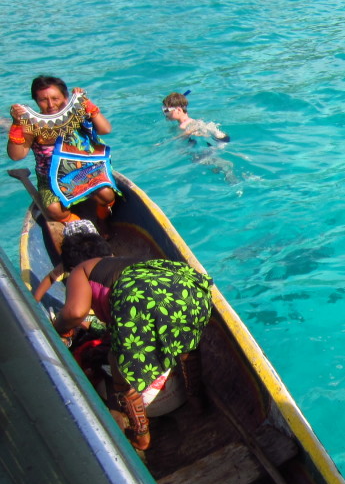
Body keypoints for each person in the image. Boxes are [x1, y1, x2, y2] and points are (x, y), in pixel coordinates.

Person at [47, 221, 213, 451]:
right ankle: (197, 402)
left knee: (120, 364)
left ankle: (142, 437)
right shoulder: (122, 263)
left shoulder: (81, 270)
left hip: (139, 297)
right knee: (185, 345)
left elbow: (74, 313)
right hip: (184, 284)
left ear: (70, 264)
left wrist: (59, 329)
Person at [7, 76, 118, 226]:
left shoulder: (76, 112)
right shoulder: (31, 124)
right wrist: (16, 125)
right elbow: (16, 155)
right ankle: (83, 226)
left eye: (55, 98)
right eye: (43, 100)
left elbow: (105, 129)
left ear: (65, 96)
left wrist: (87, 104)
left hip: (85, 169)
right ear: (35, 101)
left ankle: (102, 220)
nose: (51, 104)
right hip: (51, 178)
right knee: (54, 210)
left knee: (107, 195)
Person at [162, 92, 230, 143]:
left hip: (217, 140)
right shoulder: (189, 121)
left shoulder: (183, 125)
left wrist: (164, 142)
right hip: (220, 139)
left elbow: (184, 136)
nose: (164, 113)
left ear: (179, 110)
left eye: (166, 110)